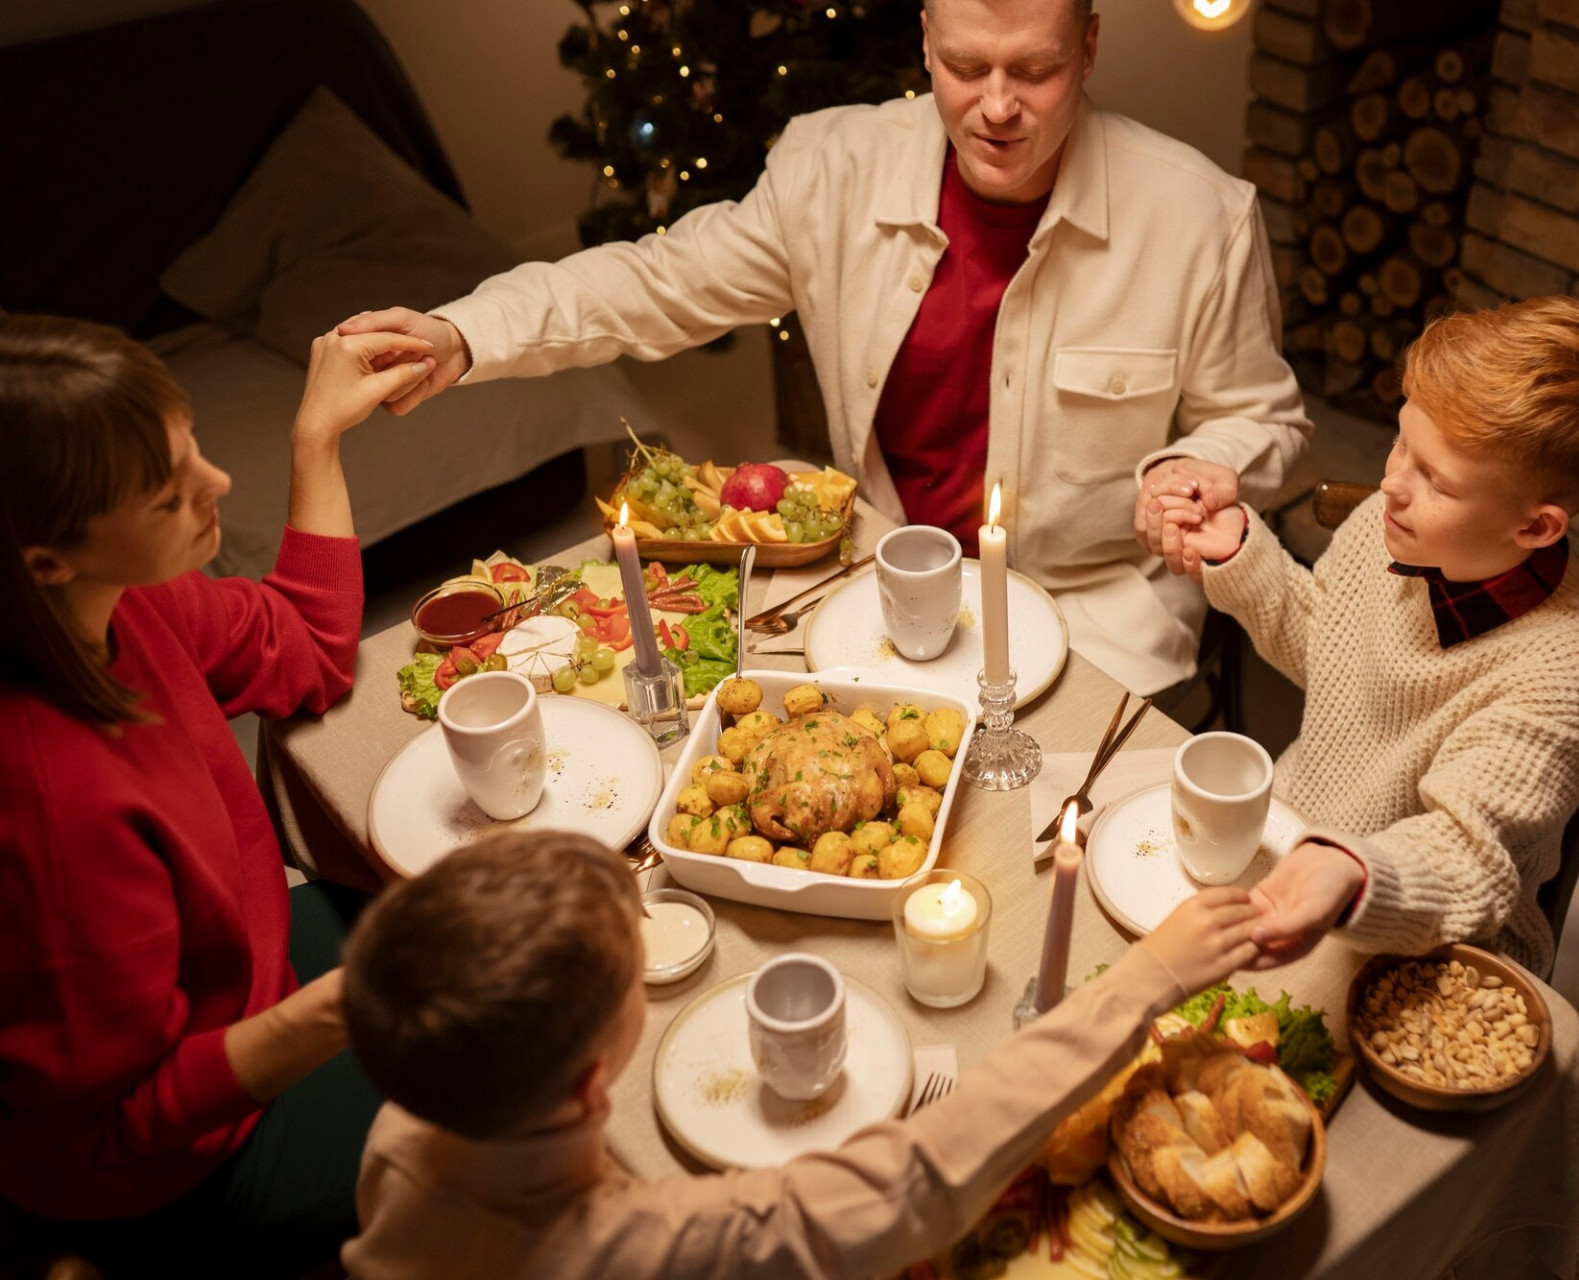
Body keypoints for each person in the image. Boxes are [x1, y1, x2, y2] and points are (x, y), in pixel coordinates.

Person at [337, 0, 1312, 695]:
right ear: (925, 38)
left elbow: (1263, 419)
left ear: (1089, 47)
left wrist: (1201, 462)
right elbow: (654, 281)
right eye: (966, 67)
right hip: (875, 570)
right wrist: (470, 331)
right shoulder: (830, 165)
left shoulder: (1199, 216)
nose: (998, 105)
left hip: (1096, 608)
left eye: (1036, 69)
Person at [0, 315, 438, 1277]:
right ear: (44, 563)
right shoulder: (52, 809)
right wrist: (349, 1008)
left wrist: (315, 437)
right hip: (188, 1163)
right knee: (533, 1100)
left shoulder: (126, 601)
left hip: (253, 971)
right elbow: (115, 1123)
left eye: (191, 444)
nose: (217, 486)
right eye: (170, 494)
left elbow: (308, 648)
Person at [338, 830, 1270, 1279]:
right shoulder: (662, 1249)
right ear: (593, 1082)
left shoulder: (396, 1134)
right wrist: (1146, 976)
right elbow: (923, 1172)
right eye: (635, 972)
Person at [1153, 297, 1579, 977]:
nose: (1390, 483)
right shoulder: (1387, 526)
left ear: (1537, 528)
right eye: (1401, 441)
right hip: (1298, 835)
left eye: (1436, 481)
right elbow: (1326, 652)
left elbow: (1466, 859)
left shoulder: (1565, 669)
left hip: (1430, 940)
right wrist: (1244, 552)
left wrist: (1353, 875)